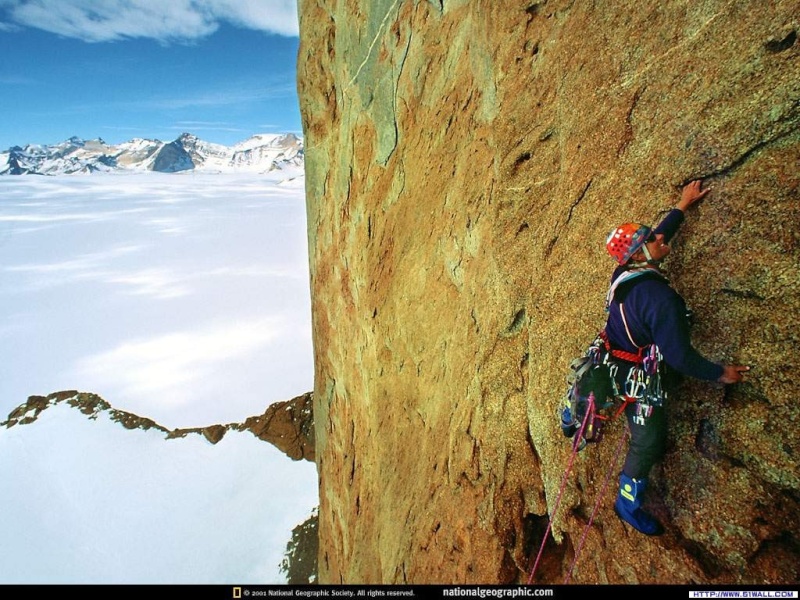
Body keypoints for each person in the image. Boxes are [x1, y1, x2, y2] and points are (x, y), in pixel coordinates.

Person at [602, 179, 750, 536]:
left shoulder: (625, 272)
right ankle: (626, 500)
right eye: (650, 240)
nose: (659, 239)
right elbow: (681, 357)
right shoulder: (660, 300)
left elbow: (661, 235)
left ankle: (574, 413)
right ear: (639, 254)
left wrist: (682, 206)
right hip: (635, 367)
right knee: (648, 438)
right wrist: (720, 373)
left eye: (653, 234)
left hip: (613, 348)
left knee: (597, 384)